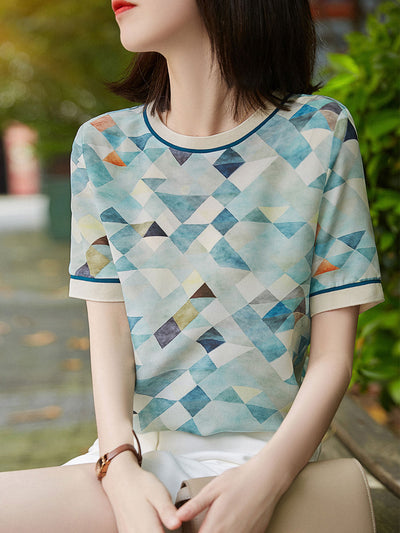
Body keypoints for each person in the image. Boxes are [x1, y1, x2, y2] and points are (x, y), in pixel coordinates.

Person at [0, 1, 385, 532]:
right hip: (133, 462)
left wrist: (268, 479)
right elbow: (111, 344)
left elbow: (333, 359)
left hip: (268, 462)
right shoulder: (103, 145)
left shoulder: (320, 133)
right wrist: (118, 469)